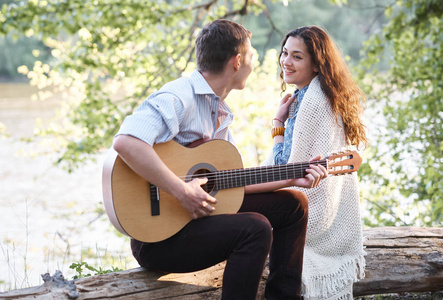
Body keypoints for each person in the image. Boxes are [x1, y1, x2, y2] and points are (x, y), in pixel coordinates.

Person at [112, 19, 328, 300]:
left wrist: (289, 178)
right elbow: (126, 141)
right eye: (252, 56)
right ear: (237, 62)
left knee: (293, 205)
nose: (257, 62)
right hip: (159, 238)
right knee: (255, 228)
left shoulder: (219, 111)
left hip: (196, 220)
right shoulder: (179, 97)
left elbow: (228, 185)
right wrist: (181, 190)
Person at [263, 25, 368, 300]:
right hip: (321, 207)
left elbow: (284, 168)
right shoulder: (325, 93)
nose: (286, 61)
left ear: (316, 64)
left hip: (308, 212)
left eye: (297, 57)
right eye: (285, 53)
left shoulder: (311, 101)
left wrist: (277, 126)